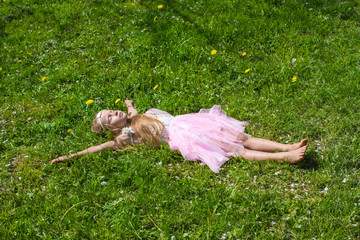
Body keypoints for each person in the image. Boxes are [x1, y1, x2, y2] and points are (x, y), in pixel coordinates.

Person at [51, 100, 308, 173]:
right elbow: (103, 148)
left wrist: (129, 104)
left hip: (191, 122)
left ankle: (288, 145)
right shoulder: (126, 135)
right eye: (109, 117)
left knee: (242, 138)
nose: (113, 112)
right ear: (113, 129)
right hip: (182, 136)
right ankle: (284, 158)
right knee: (235, 150)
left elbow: (132, 110)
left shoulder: (133, 116)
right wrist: (73, 155)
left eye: (110, 110)